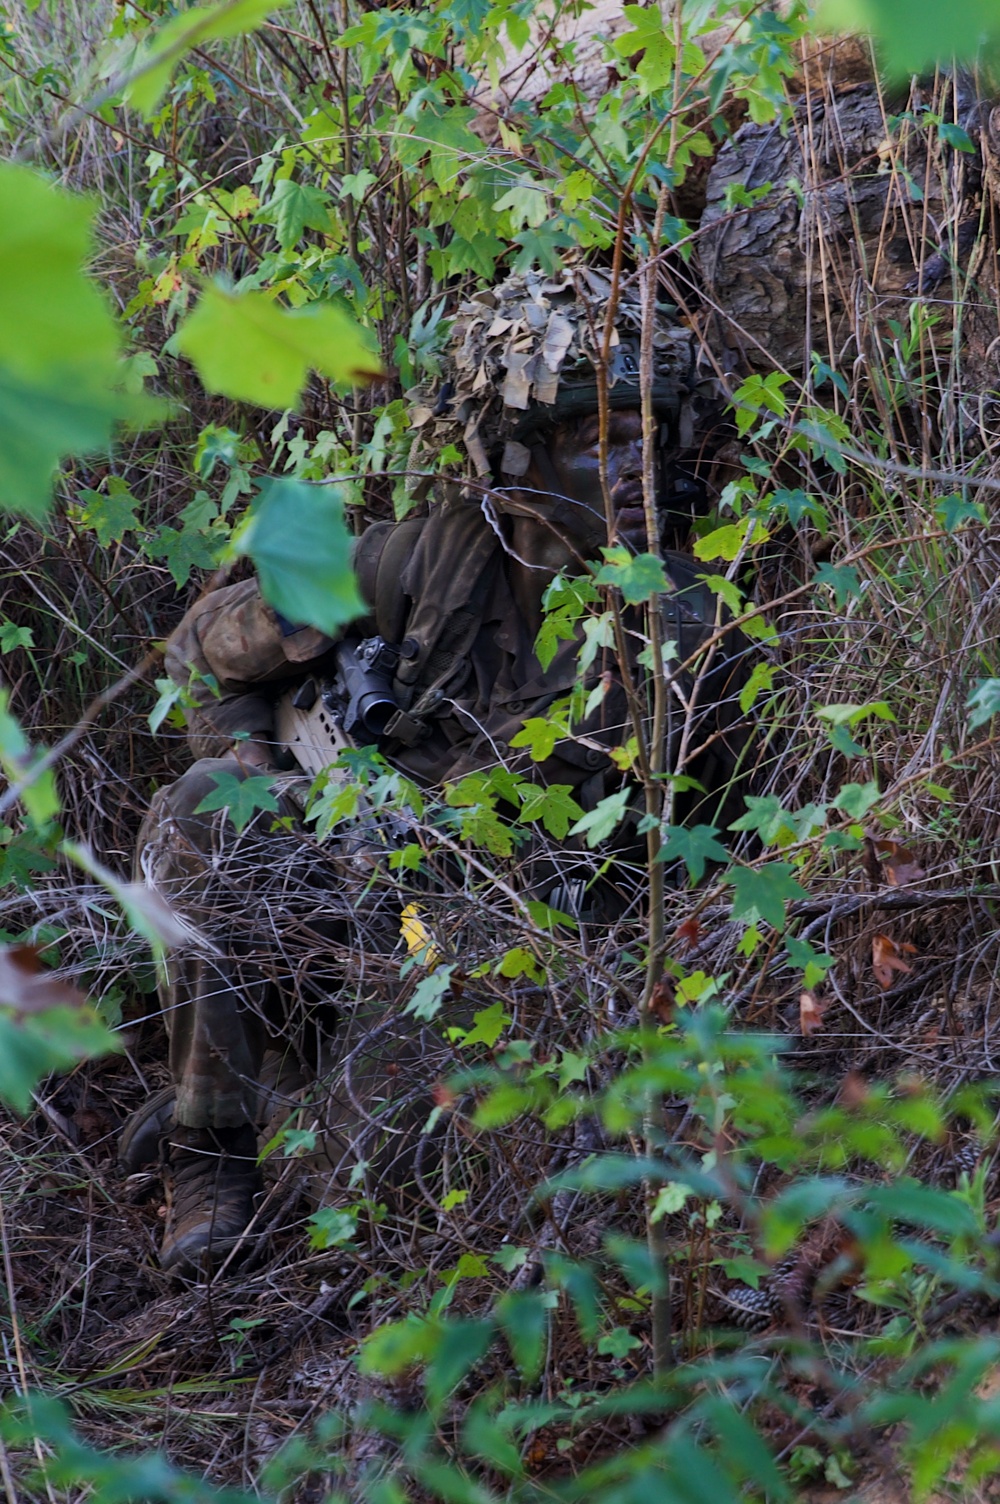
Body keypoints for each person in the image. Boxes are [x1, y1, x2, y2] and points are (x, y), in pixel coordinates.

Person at [127, 269, 751, 1277]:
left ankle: (300, 1098)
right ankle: (210, 1151)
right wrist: (243, 750)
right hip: (359, 867)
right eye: (601, 442)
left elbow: (705, 859)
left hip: (521, 934)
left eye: (648, 437)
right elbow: (209, 642)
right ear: (521, 457)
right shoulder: (426, 559)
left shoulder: (688, 619)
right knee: (205, 807)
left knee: (384, 1189)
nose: (636, 469)